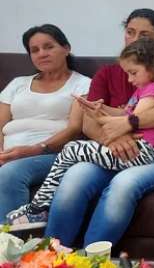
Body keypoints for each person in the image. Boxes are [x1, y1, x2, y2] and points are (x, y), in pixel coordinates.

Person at [44, 9, 154, 248]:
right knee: (75, 177)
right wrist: (112, 139)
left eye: (144, 35)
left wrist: (127, 124)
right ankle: (51, 257)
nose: (135, 40)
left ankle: (91, 260)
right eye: (130, 32)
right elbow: (90, 120)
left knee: (123, 185)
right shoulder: (107, 73)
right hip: (113, 151)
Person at [7, 37, 154, 228]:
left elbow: (130, 122)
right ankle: (38, 207)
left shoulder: (152, 90)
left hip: (139, 152)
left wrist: (100, 119)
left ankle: (38, 209)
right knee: (71, 152)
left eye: (133, 73)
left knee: (71, 149)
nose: (130, 80)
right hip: (138, 151)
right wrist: (101, 109)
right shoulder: (144, 90)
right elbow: (125, 114)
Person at [0, 24, 91, 223]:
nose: (42, 54)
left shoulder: (83, 84)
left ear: (66, 48)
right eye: (35, 50)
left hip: (53, 154)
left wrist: (32, 150)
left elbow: (75, 129)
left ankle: (10, 247)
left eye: (48, 47)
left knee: (9, 173)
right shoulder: (17, 84)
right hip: (9, 154)